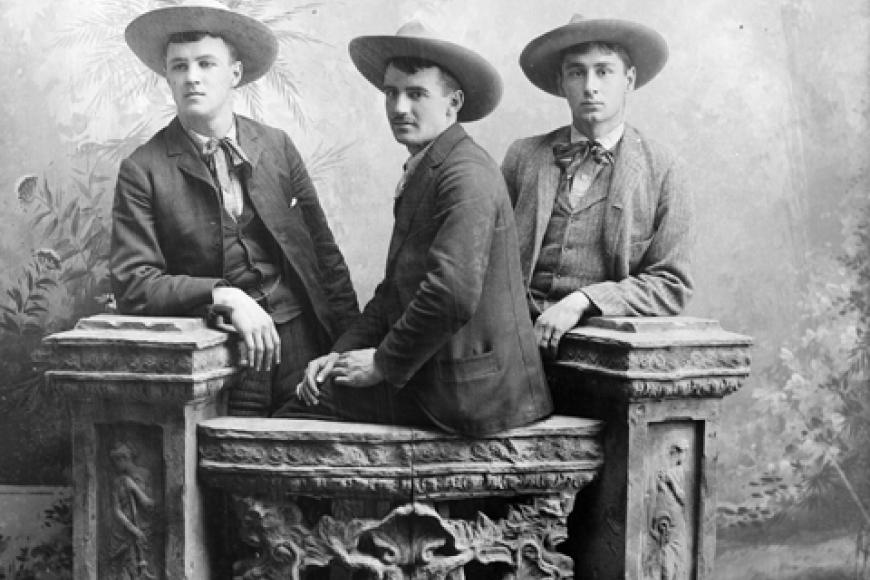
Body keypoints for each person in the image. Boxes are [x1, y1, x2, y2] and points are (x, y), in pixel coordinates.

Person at [283, 22, 553, 436]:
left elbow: (451, 295)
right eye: (391, 93)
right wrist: (340, 354)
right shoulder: (431, 167)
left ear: (453, 103)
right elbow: (394, 292)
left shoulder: (465, 174)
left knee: (296, 414)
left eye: (416, 94)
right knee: (303, 390)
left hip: (473, 394)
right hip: (443, 374)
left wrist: (381, 363)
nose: (399, 107)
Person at [111, 1, 359, 416]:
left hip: (303, 343)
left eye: (206, 64)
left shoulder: (277, 146)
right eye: (179, 66)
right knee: (233, 453)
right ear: (168, 78)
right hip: (222, 351)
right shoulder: (143, 169)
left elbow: (325, 257)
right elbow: (134, 285)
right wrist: (222, 294)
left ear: (235, 74)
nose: (192, 77)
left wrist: (348, 347)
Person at [502, 16, 694, 358]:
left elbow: (671, 284)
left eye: (604, 71)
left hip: (605, 351)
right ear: (562, 82)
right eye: (577, 73)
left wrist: (583, 300)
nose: (590, 86)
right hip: (516, 345)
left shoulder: (665, 169)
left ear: (628, 80)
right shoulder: (523, 156)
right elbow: (487, 261)